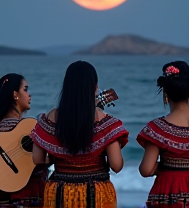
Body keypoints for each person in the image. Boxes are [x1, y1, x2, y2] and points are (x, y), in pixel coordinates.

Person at [31, 60, 129, 208]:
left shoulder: (50, 118)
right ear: (95, 88)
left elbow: (37, 159)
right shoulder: (107, 124)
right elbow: (116, 165)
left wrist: (56, 157)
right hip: (97, 194)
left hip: (59, 193)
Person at [136, 61, 189, 208]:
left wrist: (166, 165)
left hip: (166, 193)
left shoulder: (157, 129)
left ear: (165, 94)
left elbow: (146, 170)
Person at [0, 73, 47, 208]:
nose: (29, 95)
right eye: (25, 89)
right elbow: (36, 162)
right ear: (15, 95)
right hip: (25, 199)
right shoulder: (12, 126)